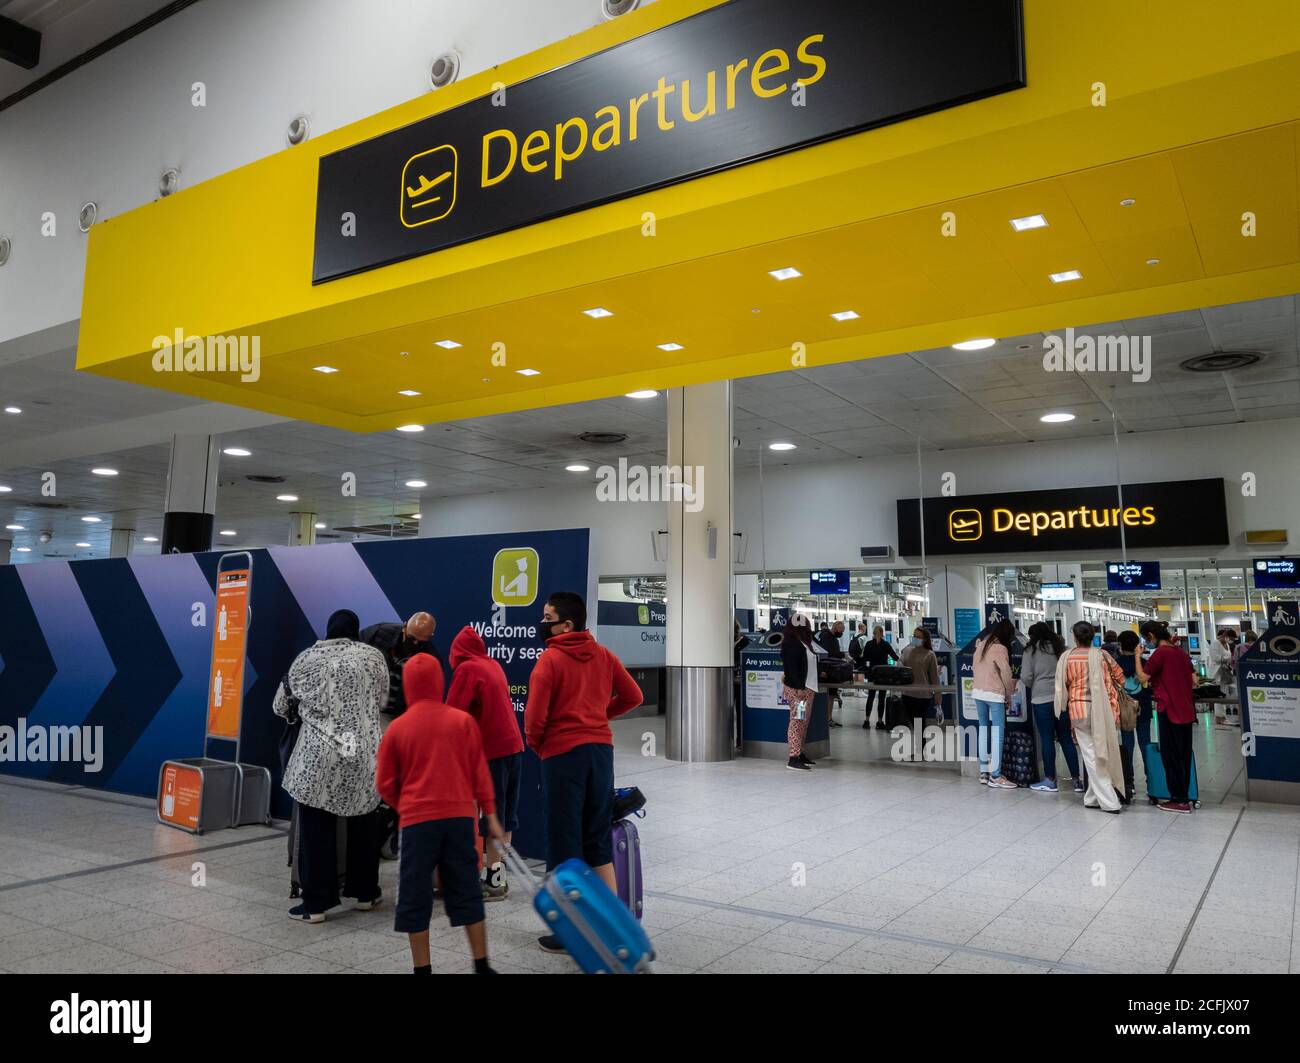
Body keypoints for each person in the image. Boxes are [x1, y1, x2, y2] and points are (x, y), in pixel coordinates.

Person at [525, 591, 643, 953]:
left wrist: (541, 746)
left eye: (547, 617)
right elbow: (633, 696)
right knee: (596, 841)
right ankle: (614, 927)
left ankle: (569, 932)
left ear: (566, 624)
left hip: (564, 756)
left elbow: (534, 720)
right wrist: (597, 717)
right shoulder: (603, 655)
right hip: (600, 754)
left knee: (563, 844)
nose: (542, 623)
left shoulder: (550, 660)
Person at [377, 653, 504, 974]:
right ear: (439, 682)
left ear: (407, 686)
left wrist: (405, 805)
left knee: (415, 894)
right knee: (466, 888)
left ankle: (423, 970)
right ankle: (482, 964)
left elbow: (385, 783)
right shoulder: (462, 721)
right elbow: (480, 774)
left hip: (418, 823)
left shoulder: (397, 728)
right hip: (460, 820)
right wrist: (490, 814)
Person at [274, 609, 387, 923]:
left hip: (319, 757)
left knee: (316, 830)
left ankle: (317, 904)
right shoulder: (373, 657)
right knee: (365, 825)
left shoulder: (306, 659)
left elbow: (280, 705)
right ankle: (365, 892)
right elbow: (381, 699)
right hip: (363, 754)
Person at [445, 624, 524, 902]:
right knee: (505, 817)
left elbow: (453, 714)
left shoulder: (467, 669)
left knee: (491, 817)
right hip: (514, 748)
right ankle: (497, 877)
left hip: (493, 754)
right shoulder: (493, 665)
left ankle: (494, 883)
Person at [1054, 621, 1126, 813]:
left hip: (1078, 710)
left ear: (1075, 637)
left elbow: (1063, 685)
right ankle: (1094, 797)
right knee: (1099, 753)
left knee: (1091, 755)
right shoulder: (1102, 655)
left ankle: (1108, 801)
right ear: (1093, 636)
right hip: (1103, 710)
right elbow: (1121, 678)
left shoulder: (1066, 657)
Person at [1136, 620, 1196, 814]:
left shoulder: (1161, 654)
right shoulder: (1181, 653)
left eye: (1147, 638)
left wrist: (1138, 657)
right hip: (1186, 711)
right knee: (1184, 755)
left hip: (1169, 711)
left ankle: (1178, 799)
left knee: (1171, 756)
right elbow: (1194, 680)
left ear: (1151, 637)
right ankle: (1184, 797)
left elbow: (1142, 678)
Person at [1022, 623, 1082, 794]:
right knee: (1066, 738)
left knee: (1047, 739)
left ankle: (1050, 780)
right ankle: (1077, 780)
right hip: (1061, 698)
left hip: (1041, 699)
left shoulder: (1030, 651)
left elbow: (1026, 677)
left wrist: (1035, 684)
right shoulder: (1062, 648)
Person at [360, 611, 446, 729]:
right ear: (404, 627)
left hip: (395, 718)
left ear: (430, 636)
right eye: (411, 638)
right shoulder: (378, 633)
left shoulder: (431, 659)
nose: (414, 643)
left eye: (420, 641)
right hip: (364, 709)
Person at [971, 619, 1018, 788]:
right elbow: (1006, 673)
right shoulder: (1000, 648)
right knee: (997, 735)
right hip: (994, 694)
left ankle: (984, 772)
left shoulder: (981, 645)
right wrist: (1009, 694)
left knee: (983, 731)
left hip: (978, 692)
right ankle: (996, 775)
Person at [1115, 630, 1155, 803]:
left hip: (1125, 709)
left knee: (1127, 746)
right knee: (1145, 744)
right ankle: (1152, 784)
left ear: (1120, 645)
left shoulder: (1115, 664)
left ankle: (1128, 784)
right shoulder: (1144, 662)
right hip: (1143, 708)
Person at [779, 612, 819, 772]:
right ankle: (793, 757)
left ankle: (800, 753)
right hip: (798, 691)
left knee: (803, 722)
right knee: (797, 722)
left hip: (807, 689)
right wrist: (799, 688)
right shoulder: (791, 644)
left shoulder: (804, 643)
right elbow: (791, 668)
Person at [896, 626, 941, 758]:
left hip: (923, 695)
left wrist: (938, 695)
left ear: (925, 639)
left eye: (918, 636)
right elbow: (900, 662)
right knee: (913, 722)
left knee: (919, 722)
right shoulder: (907, 650)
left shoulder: (930, 655)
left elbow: (934, 677)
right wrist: (899, 666)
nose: (915, 638)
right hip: (907, 693)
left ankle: (919, 751)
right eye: (914, 635)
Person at [858, 625, 900, 729]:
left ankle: (867, 721)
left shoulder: (868, 644)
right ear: (881, 633)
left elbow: (865, 659)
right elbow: (895, 657)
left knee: (870, 697)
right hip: (883, 675)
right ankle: (880, 722)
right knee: (881, 698)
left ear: (873, 633)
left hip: (872, 674)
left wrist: (868, 670)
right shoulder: (885, 644)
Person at [815, 619, 847, 726]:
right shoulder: (825, 637)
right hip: (825, 670)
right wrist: (842, 655)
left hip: (833, 670)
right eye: (841, 631)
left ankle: (829, 718)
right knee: (825, 695)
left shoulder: (834, 639)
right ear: (835, 628)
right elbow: (825, 654)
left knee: (832, 695)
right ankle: (823, 718)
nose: (841, 633)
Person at [733, 619, 750, 751]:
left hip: (740, 683)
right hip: (726, 682)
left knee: (740, 712)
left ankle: (740, 740)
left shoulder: (746, 643)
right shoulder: (725, 642)